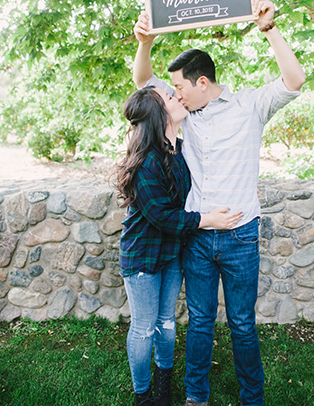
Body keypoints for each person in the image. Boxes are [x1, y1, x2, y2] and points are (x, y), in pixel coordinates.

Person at [133, 0, 305, 406]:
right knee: (201, 323)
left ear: (202, 84)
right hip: (197, 235)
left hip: (241, 236)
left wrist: (270, 29)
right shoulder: (183, 114)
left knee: (243, 324)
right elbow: (143, 82)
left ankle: (253, 398)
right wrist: (145, 42)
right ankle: (196, 397)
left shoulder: (249, 106)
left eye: (178, 87)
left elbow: (294, 81)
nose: (173, 94)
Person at [116, 87, 242, 406]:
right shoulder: (146, 161)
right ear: (160, 114)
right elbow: (162, 217)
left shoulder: (180, 150)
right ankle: (143, 396)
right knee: (144, 328)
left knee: (167, 323)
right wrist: (207, 220)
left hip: (172, 252)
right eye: (170, 97)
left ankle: (163, 390)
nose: (178, 98)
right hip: (143, 254)